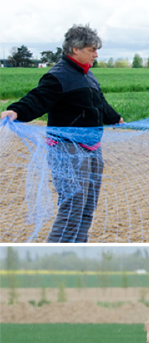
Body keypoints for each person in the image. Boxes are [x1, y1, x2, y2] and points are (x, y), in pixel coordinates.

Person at [1, 24, 124, 244]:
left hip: (93, 148)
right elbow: (38, 99)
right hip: (67, 150)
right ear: (75, 49)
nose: (96, 54)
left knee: (87, 205)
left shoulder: (88, 74)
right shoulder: (58, 76)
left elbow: (100, 104)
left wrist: (115, 118)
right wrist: (17, 110)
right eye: (91, 49)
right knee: (72, 206)